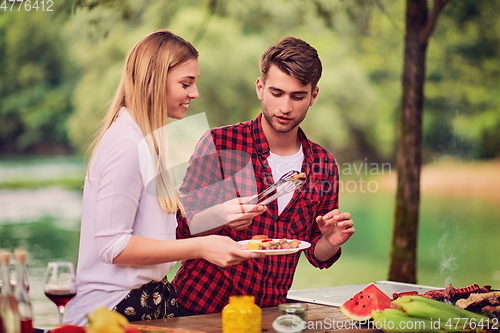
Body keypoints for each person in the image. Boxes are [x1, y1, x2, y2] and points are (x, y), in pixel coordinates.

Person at [63, 30, 265, 325]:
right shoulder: (126, 144)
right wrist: (201, 247)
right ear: (155, 80)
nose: (194, 93)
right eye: (186, 83)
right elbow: (113, 247)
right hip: (112, 312)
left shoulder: (147, 139)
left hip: (148, 303)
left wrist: (220, 214)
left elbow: (151, 225)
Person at [173, 36, 356, 315]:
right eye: (277, 93)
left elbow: (316, 255)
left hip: (268, 314)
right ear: (260, 88)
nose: (285, 107)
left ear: (313, 96)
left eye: (298, 96)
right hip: (199, 308)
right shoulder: (220, 144)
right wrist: (222, 215)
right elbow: (182, 229)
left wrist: (330, 243)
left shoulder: (323, 164)